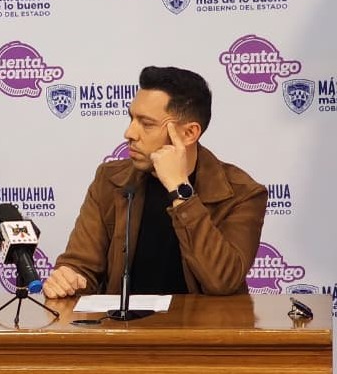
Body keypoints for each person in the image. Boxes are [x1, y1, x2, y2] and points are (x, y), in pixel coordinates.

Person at [43, 66, 267, 298]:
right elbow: (81, 266)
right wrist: (69, 278)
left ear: (189, 133)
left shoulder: (242, 193)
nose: (129, 133)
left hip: (203, 322)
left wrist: (180, 189)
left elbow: (223, 281)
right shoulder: (110, 180)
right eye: (131, 118)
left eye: (147, 124)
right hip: (124, 321)